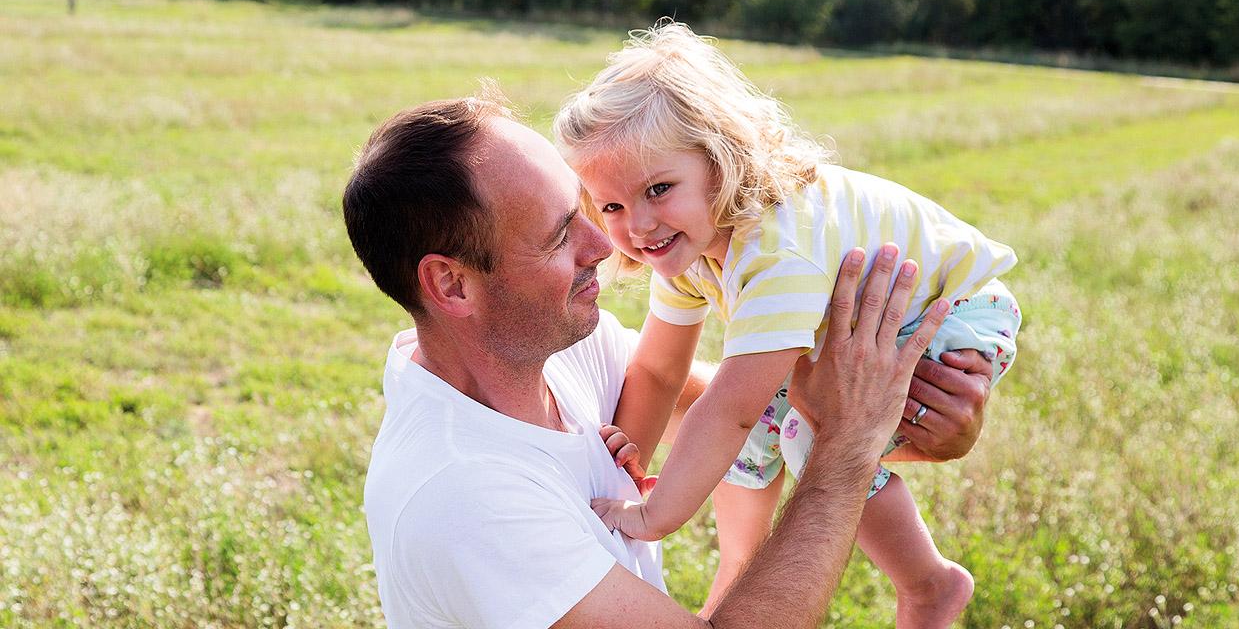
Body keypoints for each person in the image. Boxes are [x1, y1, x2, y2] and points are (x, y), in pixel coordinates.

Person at [346, 93, 998, 628]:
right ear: (453, 285)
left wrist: (922, 423)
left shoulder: (553, 352)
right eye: (558, 234)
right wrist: (850, 444)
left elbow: (738, 403)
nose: (606, 242)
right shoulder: (467, 495)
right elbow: (774, 416)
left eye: (584, 211)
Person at [555, 22, 1022, 627]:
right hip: (865, 323)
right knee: (757, 429)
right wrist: (626, 466)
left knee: (808, 434)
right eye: (612, 206)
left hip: (950, 311)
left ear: (720, 165)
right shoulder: (686, 242)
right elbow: (658, 366)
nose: (637, 225)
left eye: (659, 189)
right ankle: (738, 577)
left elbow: (731, 407)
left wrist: (651, 516)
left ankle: (929, 582)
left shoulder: (777, 250)